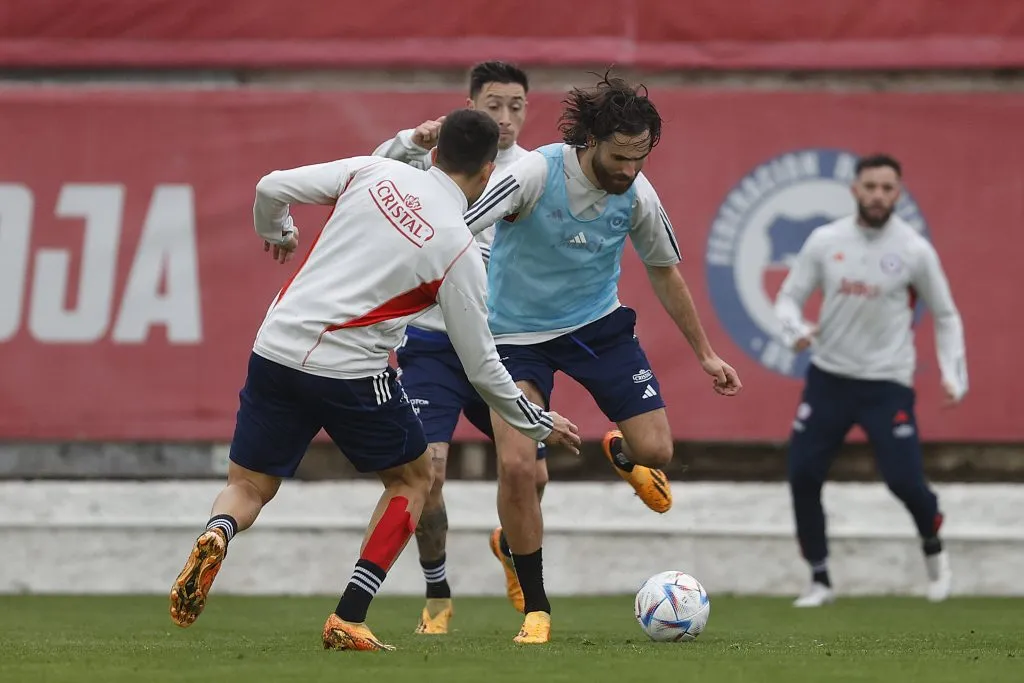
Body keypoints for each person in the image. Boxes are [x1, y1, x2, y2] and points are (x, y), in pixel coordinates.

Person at [167, 109, 581, 652]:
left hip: (275, 348)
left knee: (249, 485)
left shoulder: (374, 172)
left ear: (434, 154)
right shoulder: (458, 248)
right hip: (349, 372)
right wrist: (538, 421)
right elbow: (481, 367)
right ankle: (349, 616)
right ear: (486, 173)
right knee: (413, 480)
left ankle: (217, 532)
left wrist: (279, 230)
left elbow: (271, 187)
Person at [461, 73, 743, 643]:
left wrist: (707, 355)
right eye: (619, 157)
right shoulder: (534, 173)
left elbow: (665, 273)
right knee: (518, 466)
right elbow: (456, 230)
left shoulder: (639, 195)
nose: (629, 170)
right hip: (513, 338)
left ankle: (620, 450)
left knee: (657, 450)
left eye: (639, 158)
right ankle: (536, 609)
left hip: (595, 328)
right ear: (589, 141)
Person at [371, 61, 543, 634]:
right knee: (430, 474)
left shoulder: (535, 171)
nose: (507, 117)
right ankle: (437, 594)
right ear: (470, 106)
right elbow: (373, 174)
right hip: (431, 344)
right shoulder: (437, 158)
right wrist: (408, 139)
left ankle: (511, 545)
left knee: (530, 478)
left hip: (505, 344)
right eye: (494, 105)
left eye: (517, 106)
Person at [774, 153, 967, 608]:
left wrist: (952, 372)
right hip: (830, 379)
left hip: (886, 383)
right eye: (870, 187)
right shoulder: (826, 241)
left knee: (904, 481)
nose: (878, 195)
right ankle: (820, 579)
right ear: (854, 190)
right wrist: (796, 331)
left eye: (887, 188)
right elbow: (788, 298)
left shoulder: (915, 250)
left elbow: (945, 314)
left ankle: (933, 544)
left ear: (897, 194)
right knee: (802, 473)